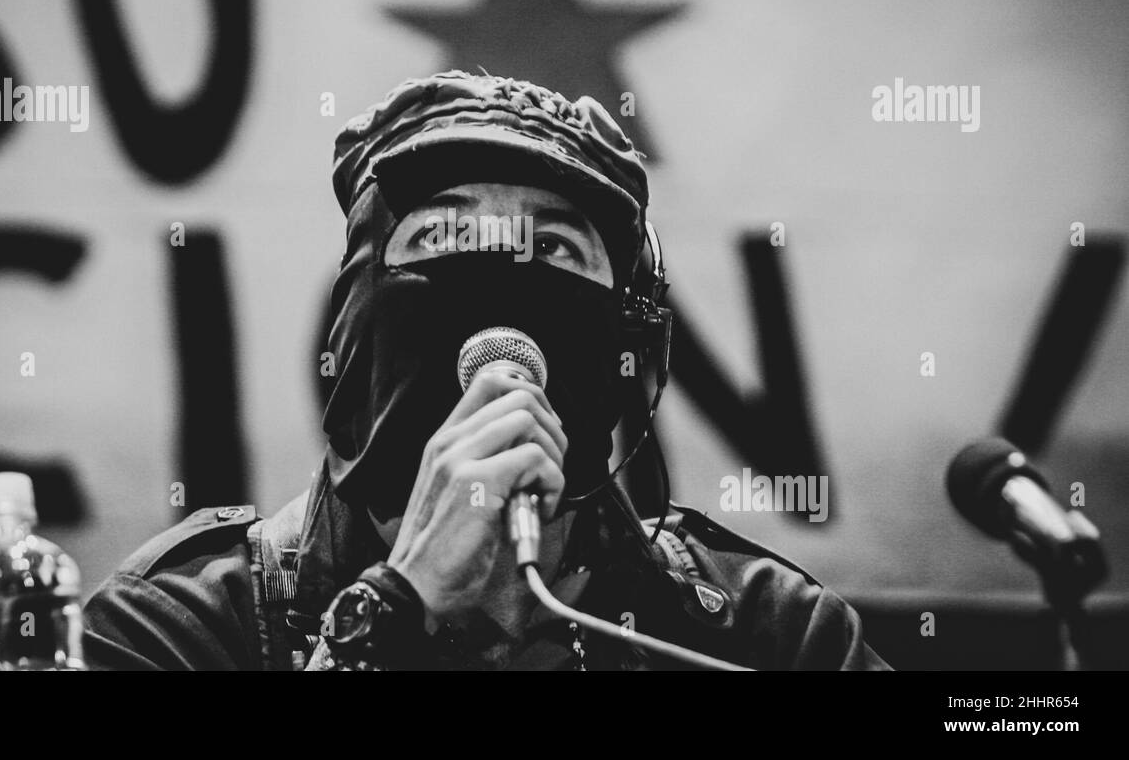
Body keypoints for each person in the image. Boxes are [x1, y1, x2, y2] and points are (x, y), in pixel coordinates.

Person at [82, 70, 891, 671]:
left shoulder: (771, 633)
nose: (504, 278)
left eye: (555, 249)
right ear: (358, 314)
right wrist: (392, 611)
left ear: (627, 337)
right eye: (442, 240)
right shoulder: (178, 626)